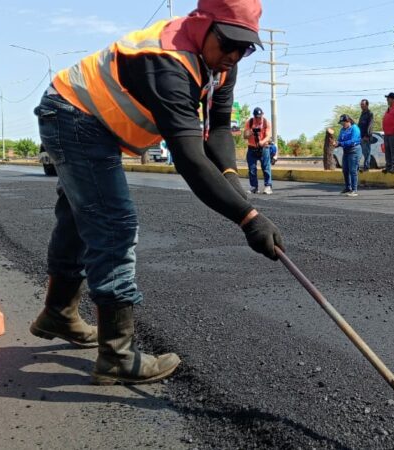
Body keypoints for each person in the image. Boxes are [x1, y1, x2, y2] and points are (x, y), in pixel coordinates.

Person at [30, 0, 283, 386]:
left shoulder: (219, 67)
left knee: (79, 219)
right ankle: (117, 355)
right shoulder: (167, 63)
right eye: (228, 43)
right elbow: (190, 159)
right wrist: (249, 218)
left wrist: (231, 176)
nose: (234, 56)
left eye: (245, 48)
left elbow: (217, 131)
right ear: (202, 26)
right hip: (72, 114)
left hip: (91, 121)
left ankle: (59, 313)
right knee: (113, 224)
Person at [244, 107, 273, 194]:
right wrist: (251, 132)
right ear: (254, 116)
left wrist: (262, 142)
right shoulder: (249, 122)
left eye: (260, 116)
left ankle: (268, 186)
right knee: (252, 169)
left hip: (263, 148)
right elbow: (245, 136)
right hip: (252, 148)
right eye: (257, 117)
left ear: (262, 114)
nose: (259, 118)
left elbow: (268, 136)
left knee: (266, 168)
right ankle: (254, 187)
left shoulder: (266, 122)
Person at [333, 114, 361, 196]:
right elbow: (339, 139)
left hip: (354, 151)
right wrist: (336, 143)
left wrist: (341, 143)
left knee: (353, 170)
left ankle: (354, 190)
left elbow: (353, 141)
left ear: (348, 121)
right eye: (341, 123)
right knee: (345, 170)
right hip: (346, 151)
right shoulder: (342, 130)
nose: (342, 125)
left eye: (343, 123)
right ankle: (348, 187)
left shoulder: (355, 128)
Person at [357, 99, 374, 172]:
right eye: (361, 104)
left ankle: (366, 167)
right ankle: (359, 167)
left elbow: (370, 125)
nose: (361, 106)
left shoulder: (370, 113)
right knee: (360, 153)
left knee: (367, 153)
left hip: (366, 137)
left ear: (367, 105)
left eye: (363, 104)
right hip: (360, 137)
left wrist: (367, 135)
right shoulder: (362, 113)